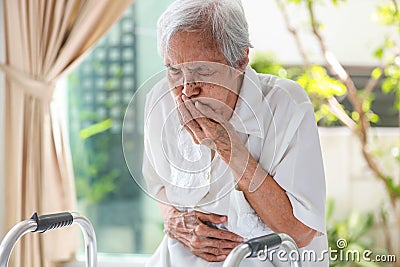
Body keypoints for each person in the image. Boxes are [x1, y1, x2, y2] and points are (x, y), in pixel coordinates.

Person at [142, 0, 328, 266]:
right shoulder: (159, 100)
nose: (185, 89)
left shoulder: (285, 105)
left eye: (202, 71)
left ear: (240, 59)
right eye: (174, 70)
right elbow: (158, 185)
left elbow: (300, 232)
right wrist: (174, 220)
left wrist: (227, 147)